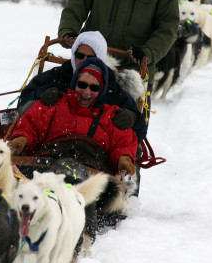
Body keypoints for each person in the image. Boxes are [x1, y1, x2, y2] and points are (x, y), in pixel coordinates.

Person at [8, 58, 138, 177]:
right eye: (82, 85)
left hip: (92, 174)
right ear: (74, 83)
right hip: (48, 165)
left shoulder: (111, 115)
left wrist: (123, 159)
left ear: (101, 91)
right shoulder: (55, 103)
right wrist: (22, 139)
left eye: (94, 87)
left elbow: (123, 143)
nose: (86, 92)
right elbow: (31, 126)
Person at [17, 31, 148, 142]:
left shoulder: (112, 87)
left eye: (91, 57)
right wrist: (41, 94)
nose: (84, 61)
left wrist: (133, 118)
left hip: (95, 151)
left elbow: (139, 131)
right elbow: (23, 102)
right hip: (51, 142)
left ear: (101, 58)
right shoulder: (58, 76)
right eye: (80, 55)